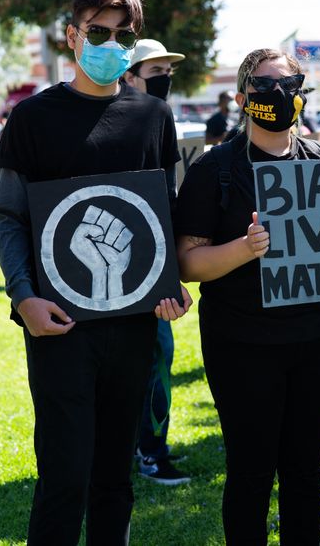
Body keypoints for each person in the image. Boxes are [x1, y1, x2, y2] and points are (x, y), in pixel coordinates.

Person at [0, 0, 191, 544]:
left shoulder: (153, 116)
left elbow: (164, 212)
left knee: (114, 479)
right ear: (71, 36)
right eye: (97, 32)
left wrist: (172, 283)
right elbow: (8, 216)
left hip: (133, 325)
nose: (110, 45)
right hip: (57, 324)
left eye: (123, 37)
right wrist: (23, 295)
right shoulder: (31, 118)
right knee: (63, 478)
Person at [174, 47, 320, 543]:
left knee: (305, 470)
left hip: (319, 339)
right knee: (250, 472)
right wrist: (246, 248)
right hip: (241, 342)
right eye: (263, 84)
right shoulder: (216, 170)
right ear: (242, 96)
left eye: (287, 84)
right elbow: (188, 264)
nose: (276, 94)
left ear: (302, 94)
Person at [121, 38, 192, 485]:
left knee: (157, 359)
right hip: (117, 264)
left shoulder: (164, 125)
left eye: (169, 71)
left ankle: (152, 448)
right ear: (129, 77)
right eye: (155, 72)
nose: (165, 79)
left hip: (156, 270)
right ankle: (141, 452)